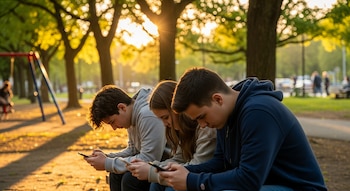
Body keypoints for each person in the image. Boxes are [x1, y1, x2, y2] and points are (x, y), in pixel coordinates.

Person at [158, 67, 327, 191]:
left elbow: (249, 179)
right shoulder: (226, 117)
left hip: (298, 187)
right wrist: (183, 172)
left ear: (217, 99)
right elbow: (220, 164)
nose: (202, 125)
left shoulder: (259, 112)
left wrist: (192, 181)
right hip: (267, 184)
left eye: (202, 116)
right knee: (173, 187)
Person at [126, 80, 216, 191]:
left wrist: (152, 171)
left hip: (204, 179)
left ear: (177, 109)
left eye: (165, 117)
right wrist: (154, 166)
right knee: (154, 183)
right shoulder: (183, 130)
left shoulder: (204, 126)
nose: (165, 124)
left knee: (169, 188)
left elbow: (198, 165)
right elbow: (179, 158)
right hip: (192, 174)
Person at [84, 85, 167, 191]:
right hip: (154, 162)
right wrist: (107, 157)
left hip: (168, 162)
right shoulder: (131, 117)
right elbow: (133, 150)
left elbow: (149, 158)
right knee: (115, 174)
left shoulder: (147, 115)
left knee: (130, 179)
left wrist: (107, 163)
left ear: (122, 107)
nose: (114, 128)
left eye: (112, 122)